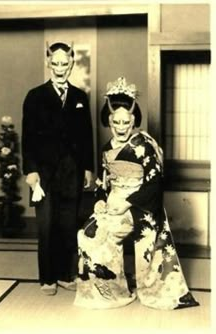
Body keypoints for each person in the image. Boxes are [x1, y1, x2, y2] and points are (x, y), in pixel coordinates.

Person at [74, 77, 199, 310]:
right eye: (116, 122)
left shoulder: (145, 145)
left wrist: (127, 203)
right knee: (88, 233)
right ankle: (110, 291)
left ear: (134, 121)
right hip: (114, 203)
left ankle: (150, 290)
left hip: (140, 206)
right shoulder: (106, 149)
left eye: (126, 122)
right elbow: (103, 182)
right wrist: (100, 200)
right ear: (109, 121)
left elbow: (154, 184)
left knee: (114, 231)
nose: (121, 127)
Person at [21, 42, 94, 295]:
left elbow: (86, 136)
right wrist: (30, 170)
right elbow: (28, 137)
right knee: (47, 225)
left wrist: (87, 168)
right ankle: (47, 278)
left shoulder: (79, 97)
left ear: (72, 63)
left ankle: (65, 274)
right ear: (48, 63)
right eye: (56, 63)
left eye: (65, 63)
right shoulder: (35, 96)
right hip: (43, 173)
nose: (60, 68)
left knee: (69, 223)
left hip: (72, 171)